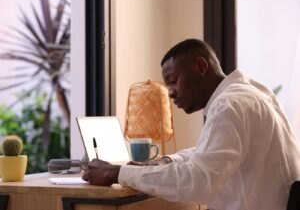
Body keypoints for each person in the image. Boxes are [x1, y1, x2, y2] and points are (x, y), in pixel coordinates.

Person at [82, 39, 300, 210]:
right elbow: (215, 153)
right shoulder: (253, 93)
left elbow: (199, 182)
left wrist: (117, 173)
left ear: (200, 66)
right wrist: (167, 160)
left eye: (173, 80)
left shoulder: (228, 105)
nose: (170, 93)